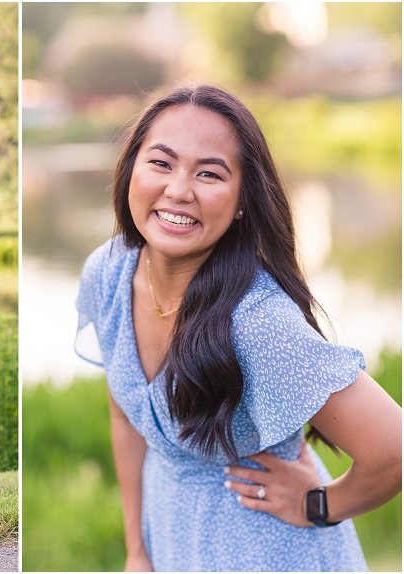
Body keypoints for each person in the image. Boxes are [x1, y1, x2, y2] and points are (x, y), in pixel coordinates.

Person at [75, 85, 401, 571]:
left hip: (270, 554)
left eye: (209, 173)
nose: (179, 190)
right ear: (130, 170)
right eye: (161, 163)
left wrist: (319, 504)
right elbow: (126, 416)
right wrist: (137, 550)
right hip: (169, 541)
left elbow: (393, 450)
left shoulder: (256, 323)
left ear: (242, 200)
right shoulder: (109, 272)